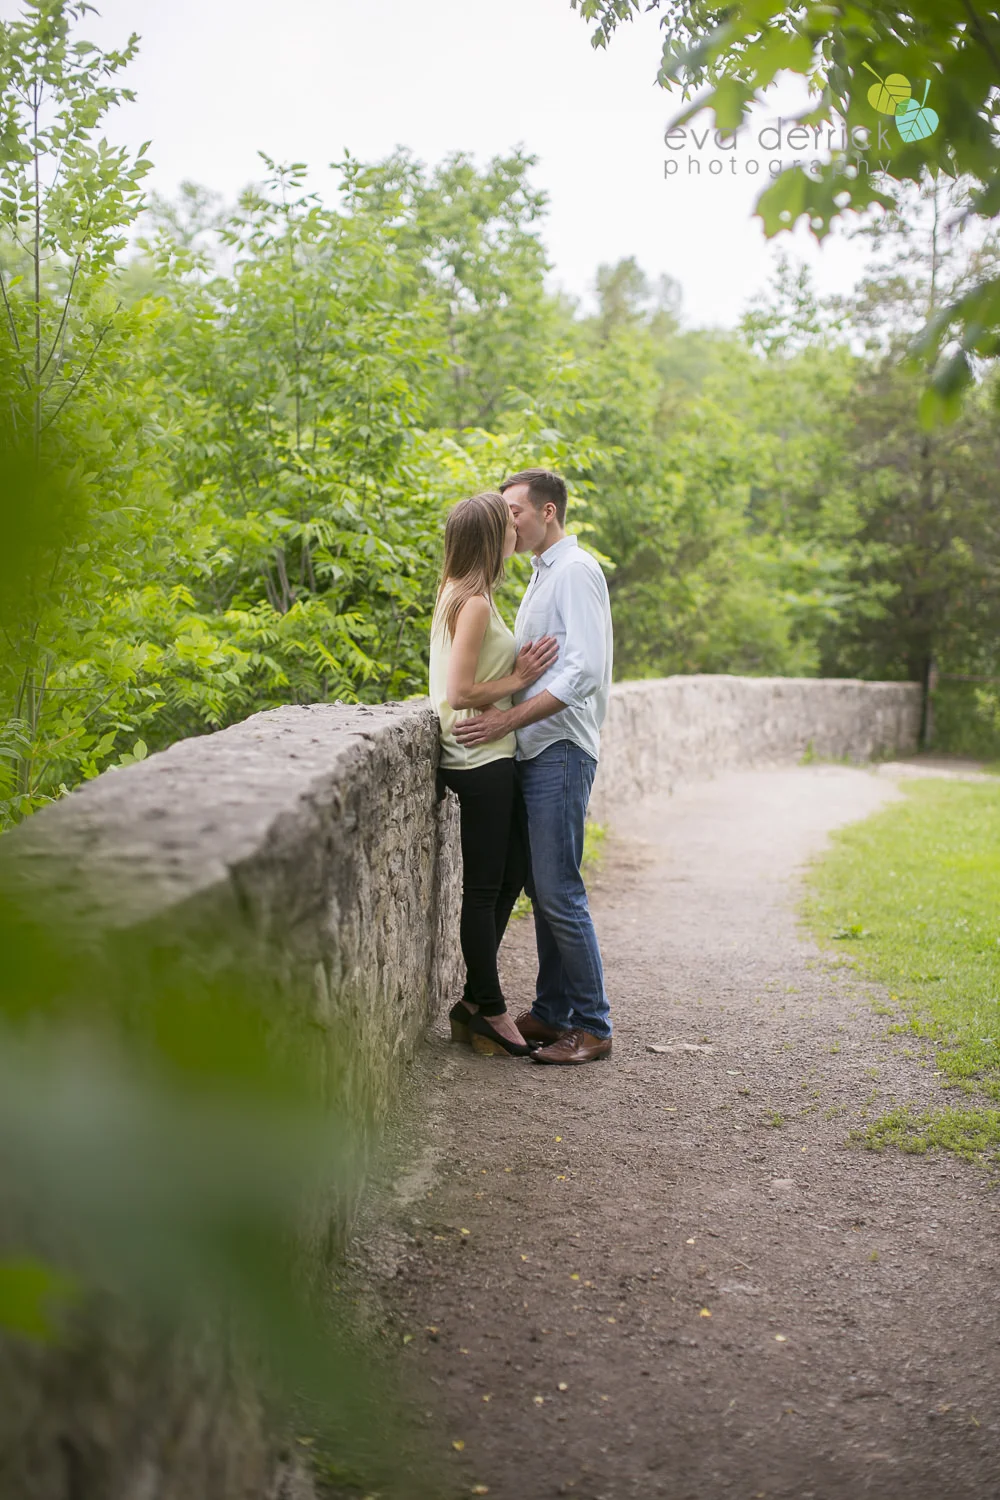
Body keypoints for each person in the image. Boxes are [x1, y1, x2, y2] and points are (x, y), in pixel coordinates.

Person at [453, 468, 614, 1066]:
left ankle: (593, 1024)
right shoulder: (541, 576)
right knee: (545, 890)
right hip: (534, 747)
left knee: (559, 889)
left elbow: (583, 673)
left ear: (548, 512)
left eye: (514, 511)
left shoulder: (575, 571)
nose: (507, 522)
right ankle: (552, 1012)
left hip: (560, 748)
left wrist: (503, 723)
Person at [429, 490, 559, 1058]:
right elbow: (458, 693)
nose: (515, 529)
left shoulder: (461, 592)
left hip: (485, 757)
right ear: (490, 537)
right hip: (481, 758)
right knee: (485, 890)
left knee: (509, 875)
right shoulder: (474, 601)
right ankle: (490, 1009)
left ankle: (475, 1004)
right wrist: (519, 677)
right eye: (505, 523)